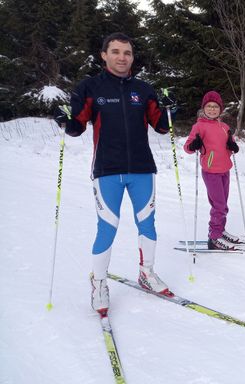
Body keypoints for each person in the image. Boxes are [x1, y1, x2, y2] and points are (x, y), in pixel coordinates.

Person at [53, 32, 175, 314]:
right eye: (116, 52)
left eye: (128, 53)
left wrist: (172, 111)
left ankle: (147, 273)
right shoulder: (90, 87)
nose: (122, 57)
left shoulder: (144, 90)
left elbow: (161, 126)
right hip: (107, 170)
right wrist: (65, 120)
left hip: (143, 169)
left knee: (148, 223)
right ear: (104, 55)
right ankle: (99, 284)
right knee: (107, 228)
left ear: (133, 57)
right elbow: (76, 127)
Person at [183, 91, 240, 250]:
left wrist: (233, 147)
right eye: (209, 106)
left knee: (223, 204)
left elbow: (230, 146)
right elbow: (187, 147)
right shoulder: (199, 126)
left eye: (215, 107)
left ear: (220, 109)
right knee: (219, 205)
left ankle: (220, 230)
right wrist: (193, 145)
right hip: (211, 171)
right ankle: (214, 237)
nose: (212, 109)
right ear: (204, 108)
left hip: (225, 169)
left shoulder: (224, 126)